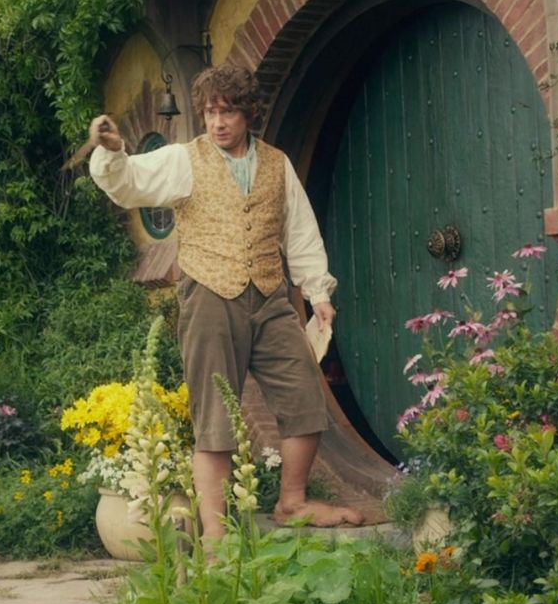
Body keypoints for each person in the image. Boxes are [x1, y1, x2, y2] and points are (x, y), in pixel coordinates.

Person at [87, 64, 363, 542]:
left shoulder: (277, 164)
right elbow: (127, 182)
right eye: (211, 112)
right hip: (209, 294)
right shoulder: (182, 159)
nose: (218, 122)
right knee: (215, 413)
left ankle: (292, 502)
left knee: (304, 397)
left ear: (248, 113)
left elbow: (299, 230)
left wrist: (318, 293)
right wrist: (113, 152)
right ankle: (214, 537)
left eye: (229, 111)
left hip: (272, 294)